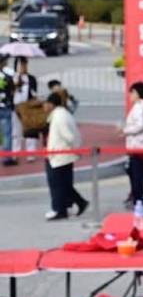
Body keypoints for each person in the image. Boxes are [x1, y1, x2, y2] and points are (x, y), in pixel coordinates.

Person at [43, 91, 88, 220]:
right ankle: (79, 202)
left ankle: (59, 210)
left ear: (51, 104)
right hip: (61, 154)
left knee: (57, 184)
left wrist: (74, 148)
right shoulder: (61, 114)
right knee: (63, 184)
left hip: (60, 154)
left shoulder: (59, 117)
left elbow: (68, 136)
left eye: (46, 103)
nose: (44, 106)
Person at [11, 57, 39, 163]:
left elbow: (34, 93)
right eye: (21, 65)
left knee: (30, 130)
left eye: (24, 65)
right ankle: (15, 153)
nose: (23, 67)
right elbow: (10, 93)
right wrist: (16, 84)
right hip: (16, 107)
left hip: (28, 107)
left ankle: (31, 153)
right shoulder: (12, 78)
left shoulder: (31, 78)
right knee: (16, 132)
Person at [0, 64, 14, 166]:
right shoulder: (7, 77)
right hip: (5, 107)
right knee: (6, 134)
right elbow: (12, 92)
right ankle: (7, 157)